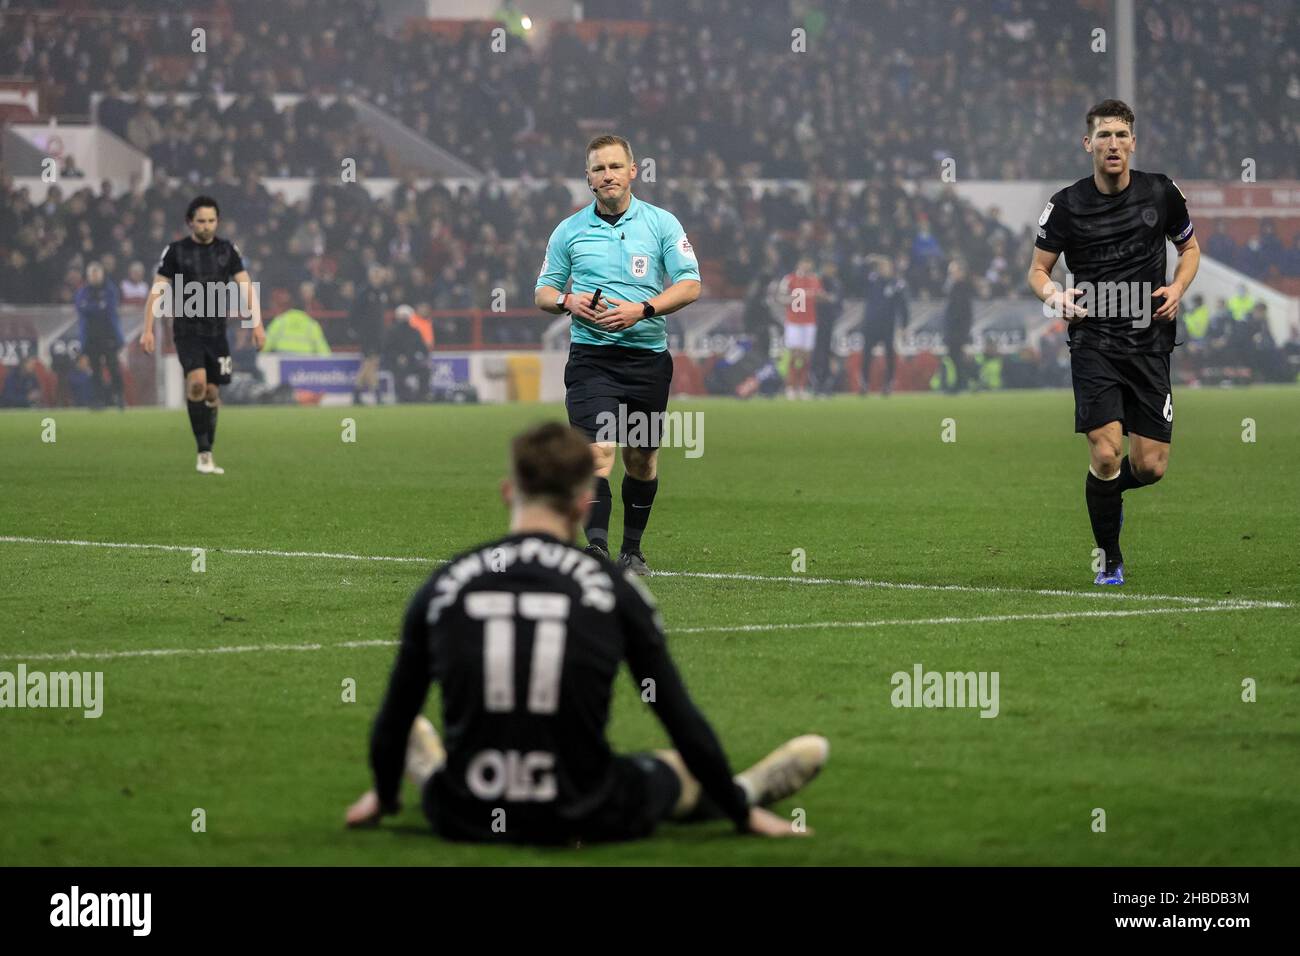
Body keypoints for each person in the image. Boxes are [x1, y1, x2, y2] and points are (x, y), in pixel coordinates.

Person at [345, 422, 828, 843]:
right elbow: (678, 715)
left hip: (464, 811)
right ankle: (746, 792)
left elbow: (394, 711)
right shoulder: (615, 590)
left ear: (507, 492)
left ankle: (430, 770)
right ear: (582, 505)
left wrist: (386, 797)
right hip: (588, 808)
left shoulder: (445, 584)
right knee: (674, 769)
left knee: (419, 736)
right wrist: (741, 816)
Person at [1027, 99, 1200, 586]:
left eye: (1121, 135)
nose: (1113, 144)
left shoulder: (1161, 193)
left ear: (1133, 143)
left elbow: (1189, 248)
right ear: (1088, 144)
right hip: (1094, 342)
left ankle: (1108, 495)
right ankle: (1109, 558)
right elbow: (1038, 270)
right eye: (1104, 135)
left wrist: (1178, 287)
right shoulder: (1065, 205)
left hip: (1149, 343)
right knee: (1104, 454)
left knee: (1151, 467)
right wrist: (1054, 295)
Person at [534, 134, 702, 575]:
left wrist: (642, 309)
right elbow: (543, 291)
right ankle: (595, 549)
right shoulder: (568, 230)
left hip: (646, 360)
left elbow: (690, 284)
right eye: (598, 169)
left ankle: (632, 550)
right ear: (587, 178)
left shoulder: (662, 224)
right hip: (592, 360)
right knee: (597, 454)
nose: (607, 175)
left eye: (614, 167)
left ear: (633, 171)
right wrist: (567, 302)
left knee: (641, 458)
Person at [140, 195, 265, 474]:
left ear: (217, 221)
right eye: (201, 221)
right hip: (187, 330)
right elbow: (157, 289)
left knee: (211, 391)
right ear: (190, 222)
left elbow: (245, 286)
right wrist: (147, 329)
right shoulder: (175, 252)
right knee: (197, 383)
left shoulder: (227, 250)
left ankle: (208, 448)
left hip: (217, 332)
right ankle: (203, 452)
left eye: (211, 221)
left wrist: (257, 324)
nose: (207, 226)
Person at [75, 261, 126, 410]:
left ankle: (119, 397)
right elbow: (81, 307)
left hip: (108, 335)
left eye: (97, 273)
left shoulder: (110, 290)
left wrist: (91, 307)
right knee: (95, 370)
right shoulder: (83, 291)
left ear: (102, 274)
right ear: (88, 276)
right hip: (91, 338)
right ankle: (99, 400)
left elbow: (108, 309)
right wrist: (98, 306)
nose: (94, 276)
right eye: (92, 274)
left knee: (113, 367)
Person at [859, 254, 908, 395]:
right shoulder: (872, 280)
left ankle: (888, 384)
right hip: (871, 324)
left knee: (890, 355)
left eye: (885, 266)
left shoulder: (897, 284)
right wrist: (868, 261)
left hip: (888, 324)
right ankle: (864, 383)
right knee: (867, 355)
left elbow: (903, 306)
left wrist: (904, 325)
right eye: (880, 266)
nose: (882, 269)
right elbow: (856, 278)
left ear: (891, 268)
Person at [777, 257, 823, 399]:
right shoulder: (789, 279)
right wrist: (792, 299)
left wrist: (819, 296)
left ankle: (802, 387)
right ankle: (790, 387)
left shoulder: (815, 280)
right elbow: (779, 296)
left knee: (806, 356)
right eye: (804, 263)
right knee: (795, 354)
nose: (807, 266)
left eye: (809, 263)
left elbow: (819, 296)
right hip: (794, 322)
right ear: (799, 264)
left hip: (809, 322)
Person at [349, 263, 391, 405]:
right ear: (370, 276)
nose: (377, 278)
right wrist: (357, 329)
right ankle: (376, 394)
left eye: (379, 275)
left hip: (378, 333)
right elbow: (354, 312)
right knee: (369, 362)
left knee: (372, 363)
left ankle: (357, 394)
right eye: (375, 275)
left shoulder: (382, 292)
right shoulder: (365, 292)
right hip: (367, 333)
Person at [942, 258, 976, 394]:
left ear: (961, 272)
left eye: (953, 271)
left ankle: (963, 383)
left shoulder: (962, 288)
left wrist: (962, 331)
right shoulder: (954, 287)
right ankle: (962, 382)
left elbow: (963, 313)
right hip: (953, 329)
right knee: (954, 357)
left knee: (956, 357)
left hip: (957, 330)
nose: (951, 274)